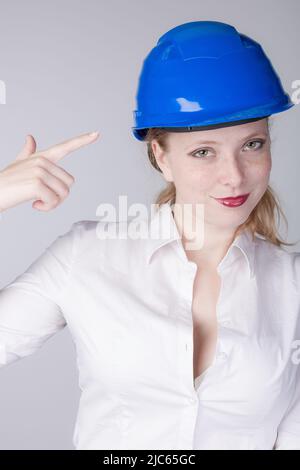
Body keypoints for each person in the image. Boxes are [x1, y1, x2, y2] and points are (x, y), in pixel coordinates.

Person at [0, 20, 299, 450]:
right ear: (161, 156)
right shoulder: (86, 256)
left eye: (252, 145)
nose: (234, 177)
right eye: (203, 152)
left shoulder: (293, 286)